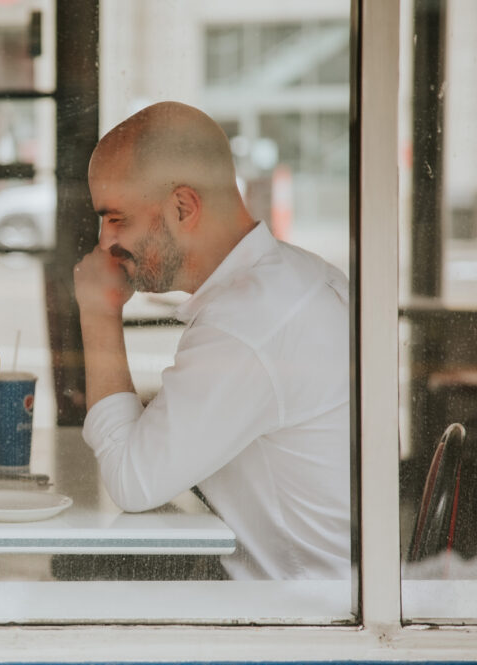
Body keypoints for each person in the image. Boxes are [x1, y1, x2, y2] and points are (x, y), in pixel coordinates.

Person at [73, 101, 350, 580]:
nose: (103, 242)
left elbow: (131, 483)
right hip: (305, 594)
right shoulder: (298, 278)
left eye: (116, 218)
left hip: (295, 618)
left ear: (183, 207)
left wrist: (98, 314)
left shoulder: (247, 324)